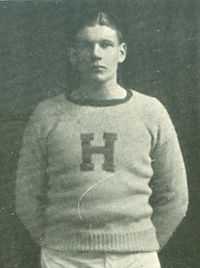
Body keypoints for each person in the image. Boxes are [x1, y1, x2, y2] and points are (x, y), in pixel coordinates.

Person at [15, 8, 189, 268]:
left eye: (106, 45)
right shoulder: (47, 114)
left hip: (136, 257)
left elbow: (176, 195)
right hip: (64, 257)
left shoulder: (150, 111)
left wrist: (142, 244)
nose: (96, 54)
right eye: (86, 45)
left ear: (121, 53)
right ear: (73, 55)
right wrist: (57, 242)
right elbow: (26, 197)